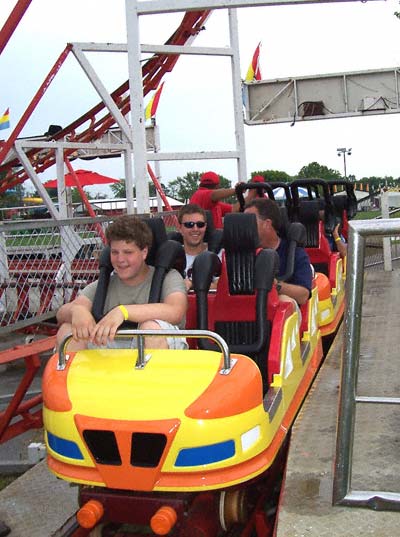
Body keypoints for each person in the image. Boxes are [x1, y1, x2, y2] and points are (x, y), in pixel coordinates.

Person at [56, 215, 188, 351]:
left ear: (144, 252)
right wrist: (77, 311)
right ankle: (79, 372)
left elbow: (175, 310)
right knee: (69, 330)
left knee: (150, 329)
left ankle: (148, 372)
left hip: (156, 347)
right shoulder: (104, 284)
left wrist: (123, 311)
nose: (120, 259)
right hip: (112, 348)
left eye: (128, 252)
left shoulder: (169, 277)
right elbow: (61, 314)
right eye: (114, 252)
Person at [244, 197, 312, 306]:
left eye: (249, 221)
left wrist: (275, 285)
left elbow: (303, 295)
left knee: (284, 300)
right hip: (247, 308)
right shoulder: (241, 254)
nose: (243, 226)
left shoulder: (294, 253)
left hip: (280, 311)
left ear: (267, 223)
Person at [177, 203, 222, 290]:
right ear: (179, 228)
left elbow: (221, 286)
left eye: (200, 224)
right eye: (189, 225)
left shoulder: (218, 253)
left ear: (205, 226)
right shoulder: (172, 255)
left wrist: (192, 284)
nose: (195, 229)